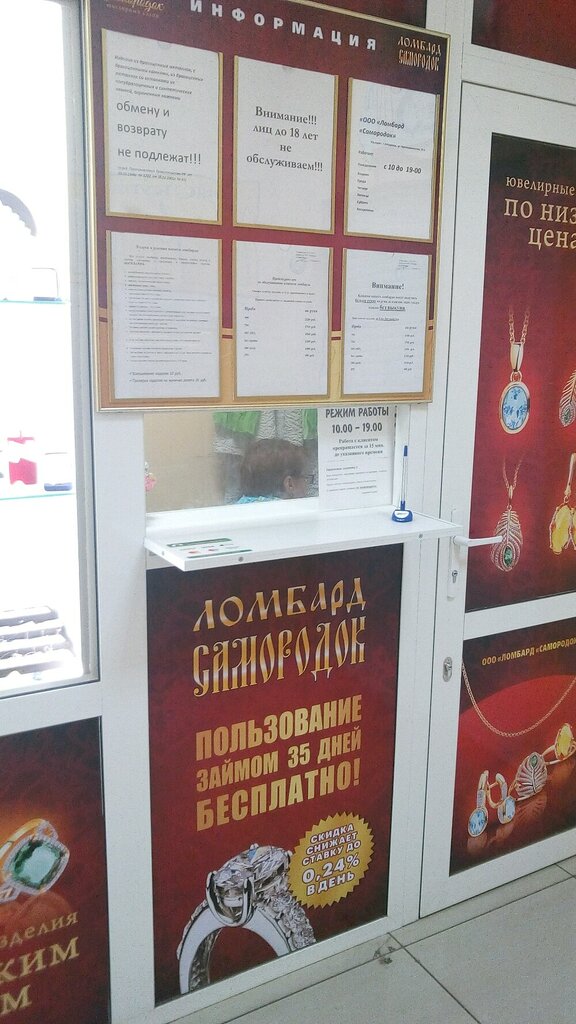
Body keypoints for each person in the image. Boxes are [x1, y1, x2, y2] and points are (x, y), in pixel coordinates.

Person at [237, 438, 312, 503]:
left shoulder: (235, 509)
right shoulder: (294, 512)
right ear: (290, 484)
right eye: (305, 478)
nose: (307, 485)